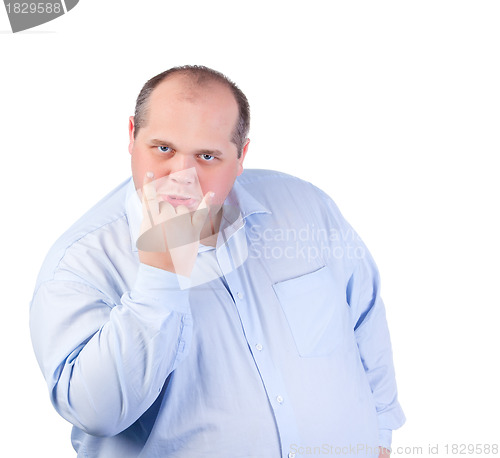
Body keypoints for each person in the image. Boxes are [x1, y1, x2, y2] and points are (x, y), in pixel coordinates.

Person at [30, 65, 405, 458]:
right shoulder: (79, 265)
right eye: (163, 149)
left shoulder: (306, 209)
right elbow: (96, 413)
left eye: (207, 156)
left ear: (240, 156)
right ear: (131, 136)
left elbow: (365, 320)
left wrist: (380, 434)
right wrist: (162, 271)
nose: (181, 176)